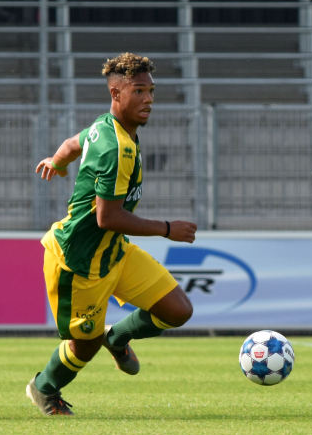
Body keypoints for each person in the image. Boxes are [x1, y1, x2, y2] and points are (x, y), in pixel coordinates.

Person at [26, 52, 196, 416]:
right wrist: (167, 230)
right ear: (116, 94)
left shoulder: (105, 127)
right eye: (139, 91)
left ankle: (118, 336)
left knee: (177, 310)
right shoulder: (115, 147)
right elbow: (107, 217)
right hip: (80, 260)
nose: (148, 99)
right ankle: (44, 388)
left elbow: (75, 142)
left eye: (151, 91)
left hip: (114, 253)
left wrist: (57, 160)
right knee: (83, 346)